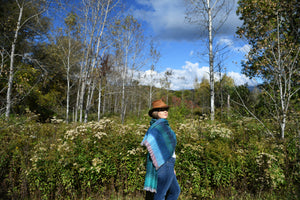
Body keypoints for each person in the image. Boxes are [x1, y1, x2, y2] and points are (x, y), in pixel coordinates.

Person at [141, 99, 181, 200]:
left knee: (175, 191)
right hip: (164, 164)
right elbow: (151, 144)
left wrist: (173, 167)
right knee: (160, 194)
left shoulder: (162, 126)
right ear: (156, 113)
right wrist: (165, 163)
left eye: (166, 109)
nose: (165, 111)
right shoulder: (157, 127)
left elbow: (168, 148)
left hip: (169, 163)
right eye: (162, 110)